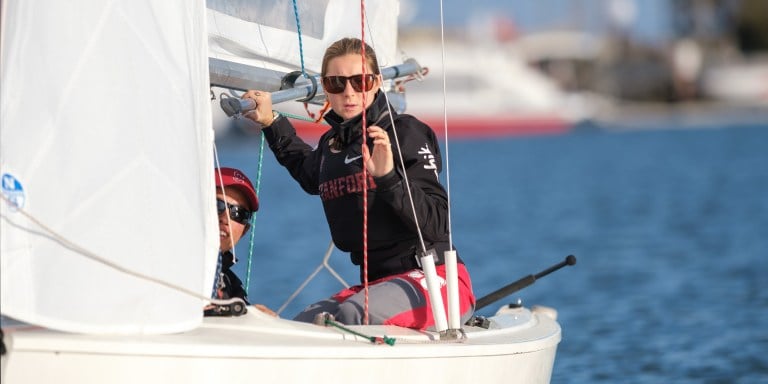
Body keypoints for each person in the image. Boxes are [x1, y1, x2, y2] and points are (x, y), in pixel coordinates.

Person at [241, 37, 474, 329]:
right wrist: (271, 123)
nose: (348, 92)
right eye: (337, 83)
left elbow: (438, 222)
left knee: (352, 315)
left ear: (376, 82)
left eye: (360, 81)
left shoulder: (404, 133)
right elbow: (308, 171)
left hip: (435, 278)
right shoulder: (332, 145)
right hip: (376, 284)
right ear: (326, 87)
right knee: (302, 326)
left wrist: (388, 178)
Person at [207, 166, 276, 317]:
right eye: (218, 204)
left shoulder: (232, 285)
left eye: (238, 213)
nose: (225, 218)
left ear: (245, 231)